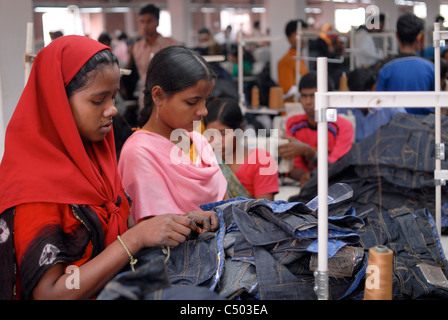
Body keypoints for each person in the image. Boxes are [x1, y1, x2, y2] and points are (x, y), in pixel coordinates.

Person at [0, 35, 218, 300]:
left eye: (113, 97)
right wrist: (135, 239)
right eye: (98, 100)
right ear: (58, 102)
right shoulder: (33, 189)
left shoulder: (96, 164)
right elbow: (50, 294)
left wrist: (179, 223)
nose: (113, 110)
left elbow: (122, 228)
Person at [118, 46, 228, 224]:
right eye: (192, 102)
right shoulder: (139, 153)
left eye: (205, 99)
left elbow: (225, 205)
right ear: (158, 95)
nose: (203, 110)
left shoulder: (199, 142)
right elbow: (155, 230)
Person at [278, 72, 354, 186]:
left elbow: (337, 167)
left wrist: (309, 152)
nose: (308, 102)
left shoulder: (343, 127)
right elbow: (293, 166)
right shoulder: (293, 124)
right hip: (304, 185)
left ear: (327, 97)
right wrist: (305, 177)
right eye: (304, 96)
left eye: (313, 96)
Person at [204, 98, 279, 200]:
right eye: (211, 134)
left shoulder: (262, 161)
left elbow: (264, 211)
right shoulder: (206, 161)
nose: (216, 141)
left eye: (223, 134)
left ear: (241, 130)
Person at [376, 13, 434, 115]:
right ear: (419, 38)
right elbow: (436, 101)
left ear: (397, 35)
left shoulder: (386, 68)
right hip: (424, 127)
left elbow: (378, 105)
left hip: (393, 127)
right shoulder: (430, 68)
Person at [132, 4, 179, 109]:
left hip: (167, 95)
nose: (145, 26)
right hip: (145, 97)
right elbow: (142, 75)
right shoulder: (137, 48)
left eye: (149, 21)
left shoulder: (171, 45)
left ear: (157, 22)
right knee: (146, 125)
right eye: (142, 21)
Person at [342, 68, 406, 142]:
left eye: (363, 97)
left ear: (373, 89)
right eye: (355, 97)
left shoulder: (391, 108)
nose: (359, 102)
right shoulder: (343, 109)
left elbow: (406, 131)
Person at [278, 19, 309, 102]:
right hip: (292, 107)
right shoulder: (286, 61)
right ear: (289, 38)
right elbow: (288, 91)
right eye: (300, 35)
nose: (303, 39)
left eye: (305, 35)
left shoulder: (300, 59)